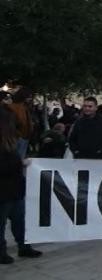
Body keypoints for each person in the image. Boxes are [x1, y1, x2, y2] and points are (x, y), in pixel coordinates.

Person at [0, 108, 42, 264]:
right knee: (2, 222)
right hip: (4, 190)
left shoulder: (10, 141)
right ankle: (2, 252)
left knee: (20, 219)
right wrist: (20, 164)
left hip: (15, 188)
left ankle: (24, 246)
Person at [7, 88, 33, 160]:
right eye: (29, 97)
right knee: (15, 159)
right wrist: (18, 135)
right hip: (18, 137)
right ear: (23, 96)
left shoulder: (24, 107)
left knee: (19, 159)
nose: (30, 99)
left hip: (24, 136)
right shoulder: (13, 107)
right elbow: (11, 122)